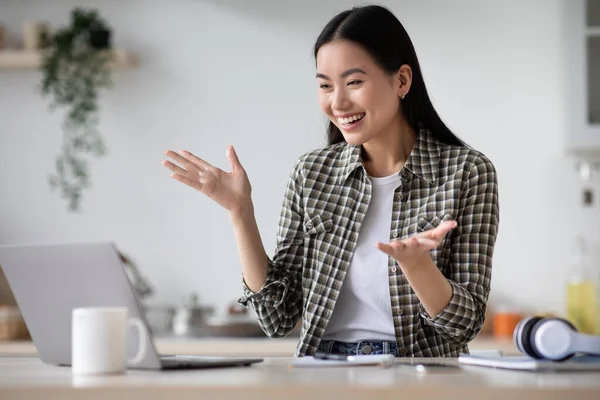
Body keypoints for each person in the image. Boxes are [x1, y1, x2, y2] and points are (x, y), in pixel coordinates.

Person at [162, 4, 499, 358]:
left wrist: (418, 267)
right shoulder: (312, 173)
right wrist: (240, 212)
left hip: (417, 376)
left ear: (401, 80)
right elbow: (276, 318)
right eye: (325, 85)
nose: (337, 102)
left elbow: (464, 326)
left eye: (354, 82)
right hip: (322, 372)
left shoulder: (467, 172)